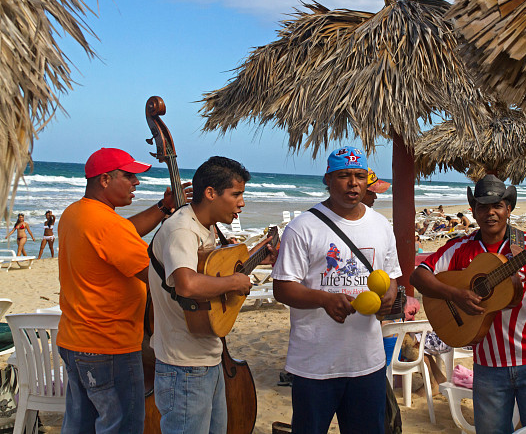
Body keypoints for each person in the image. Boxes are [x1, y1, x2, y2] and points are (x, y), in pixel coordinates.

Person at [410, 174, 526, 433]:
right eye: (482, 207)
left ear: (509, 208)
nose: (490, 213)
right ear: (473, 211)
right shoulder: (460, 247)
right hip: (488, 364)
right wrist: (455, 294)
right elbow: (419, 275)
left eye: (497, 206)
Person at [57, 147, 188, 434]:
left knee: (81, 426)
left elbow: (124, 231)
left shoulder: (75, 213)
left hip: (75, 340)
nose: (136, 183)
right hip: (109, 346)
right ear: (105, 180)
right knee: (122, 427)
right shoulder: (107, 225)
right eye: (128, 177)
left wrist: (163, 208)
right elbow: (160, 277)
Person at [272, 146, 401, 434]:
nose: (353, 183)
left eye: (359, 175)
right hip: (314, 364)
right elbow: (282, 288)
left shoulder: (381, 225)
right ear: (328, 180)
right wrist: (324, 299)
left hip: (367, 362)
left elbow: (391, 276)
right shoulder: (302, 227)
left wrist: (389, 295)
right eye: (344, 176)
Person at [149, 156, 273, 434]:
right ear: (210, 193)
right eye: (236, 194)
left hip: (206, 358)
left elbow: (211, 269)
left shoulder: (206, 227)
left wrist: (258, 260)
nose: (242, 203)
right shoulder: (182, 229)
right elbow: (187, 285)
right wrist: (232, 283)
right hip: (183, 366)